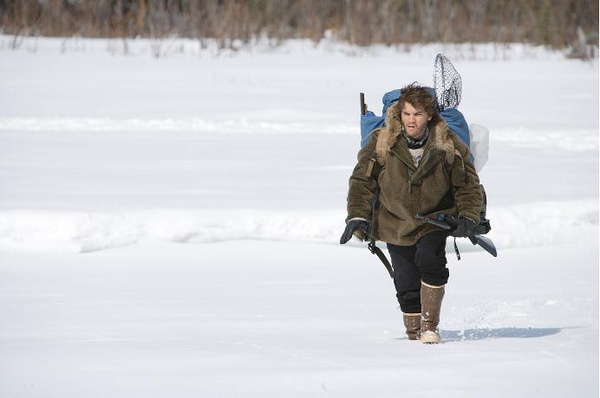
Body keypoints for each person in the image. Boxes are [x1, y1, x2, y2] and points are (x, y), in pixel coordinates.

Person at [340, 83, 483, 344]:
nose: (410, 120)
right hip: (395, 221)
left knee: (431, 261)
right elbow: (362, 181)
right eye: (406, 114)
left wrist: (469, 216)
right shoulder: (381, 141)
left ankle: (430, 327)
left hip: (435, 218)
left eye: (417, 114)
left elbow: (468, 184)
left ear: (429, 115)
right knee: (405, 283)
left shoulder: (447, 142)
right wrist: (357, 216)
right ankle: (413, 334)